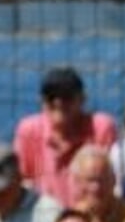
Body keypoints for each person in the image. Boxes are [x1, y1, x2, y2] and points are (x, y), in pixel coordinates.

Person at [14, 66, 117, 210]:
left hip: (93, 214)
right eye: (51, 97)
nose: (58, 102)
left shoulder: (100, 127)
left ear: (82, 99)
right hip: (45, 217)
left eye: (66, 96)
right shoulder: (29, 131)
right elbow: (21, 181)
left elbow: (111, 181)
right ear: (42, 102)